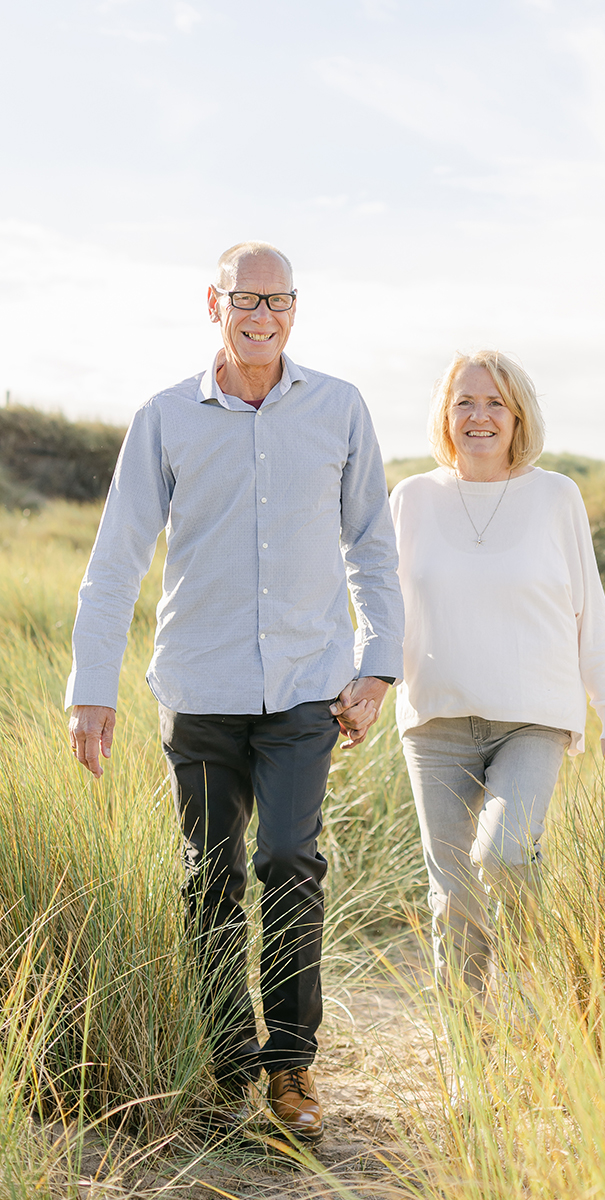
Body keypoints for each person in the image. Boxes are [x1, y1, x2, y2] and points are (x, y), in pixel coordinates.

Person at [66, 241, 404, 1147]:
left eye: (280, 300)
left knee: (290, 861)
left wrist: (379, 663)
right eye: (246, 299)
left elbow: (372, 542)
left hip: (305, 689)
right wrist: (89, 689)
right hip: (201, 689)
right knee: (207, 877)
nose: (264, 316)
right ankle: (225, 1059)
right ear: (212, 301)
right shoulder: (167, 417)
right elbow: (114, 564)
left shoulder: (339, 408)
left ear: (297, 307)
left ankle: (291, 1063)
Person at [389, 350, 605, 1012]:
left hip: (533, 720)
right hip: (435, 722)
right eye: (465, 402)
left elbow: (590, 609)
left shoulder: (555, 495)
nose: (479, 415)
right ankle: (469, 1057)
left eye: (495, 402)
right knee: (454, 900)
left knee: (501, 855)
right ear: (446, 415)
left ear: (518, 415)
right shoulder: (411, 499)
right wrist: (361, 690)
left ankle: (531, 988)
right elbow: (382, 612)